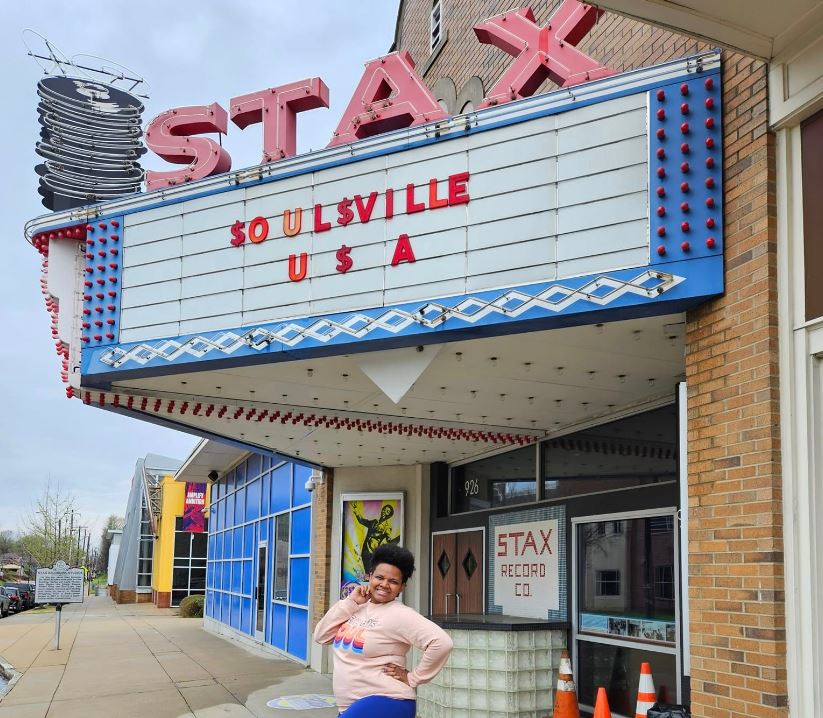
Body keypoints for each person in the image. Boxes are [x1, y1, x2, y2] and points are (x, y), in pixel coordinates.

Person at [313, 544, 453, 717]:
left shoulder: (400, 614)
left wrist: (413, 678)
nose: (384, 584)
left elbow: (442, 643)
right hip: (351, 706)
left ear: (402, 587)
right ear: (369, 576)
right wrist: (350, 602)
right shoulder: (356, 606)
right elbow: (321, 636)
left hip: (386, 700)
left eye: (393, 581)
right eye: (379, 577)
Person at [352, 503, 400, 576]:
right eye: (384, 510)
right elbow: (361, 521)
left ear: (389, 515)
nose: (385, 512)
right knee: (367, 573)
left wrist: (397, 539)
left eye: (387, 512)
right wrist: (355, 509)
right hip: (365, 550)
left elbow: (389, 541)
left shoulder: (387, 527)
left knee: (372, 572)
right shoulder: (374, 522)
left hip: (373, 551)